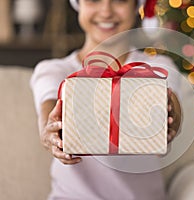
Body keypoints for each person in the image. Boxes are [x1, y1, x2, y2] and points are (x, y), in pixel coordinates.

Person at [30, 0, 181, 199]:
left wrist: (170, 121)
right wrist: (51, 130)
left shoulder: (158, 66)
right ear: (78, 5)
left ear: (137, 5)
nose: (106, 11)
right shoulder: (55, 71)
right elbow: (48, 108)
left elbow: (174, 109)